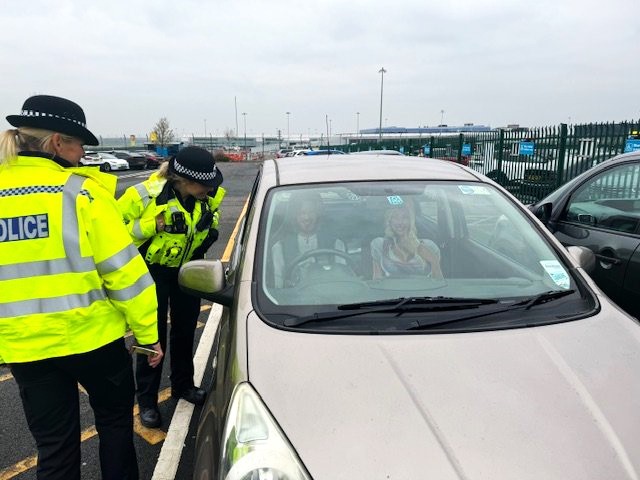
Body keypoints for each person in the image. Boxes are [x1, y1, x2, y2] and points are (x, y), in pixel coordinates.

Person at [0, 94, 162, 480]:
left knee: (55, 449)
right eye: (79, 145)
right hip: (94, 342)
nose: (81, 155)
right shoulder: (82, 194)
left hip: (27, 350)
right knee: (115, 427)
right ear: (58, 142)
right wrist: (149, 335)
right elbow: (125, 276)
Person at [117, 146, 225, 428]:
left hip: (186, 269)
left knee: (185, 329)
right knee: (151, 337)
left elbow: (212, 217)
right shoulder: (143, 195)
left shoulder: (204, 197)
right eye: (205, 184)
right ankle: (148, 401)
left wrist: (210, 230)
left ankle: (183, 385)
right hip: (151, 272)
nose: (210, 189)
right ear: (182, 180)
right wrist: (155, 224)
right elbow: (115, 231)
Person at [271, 191, 346, 287]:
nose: (307, 218)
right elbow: (279, 287)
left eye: (311, 212)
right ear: (294, 215)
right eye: (302, 213)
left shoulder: (335, 244)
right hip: (294, 300)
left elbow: (343, 282)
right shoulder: (280, 247)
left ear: (318, 214)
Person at [371, 200, 443, 279]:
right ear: (389, 221)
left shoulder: (430, 246)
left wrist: (433, 260)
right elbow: (377, 281)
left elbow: (438, 281)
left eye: (405, 217)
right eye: (395, 217)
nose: (400, 222)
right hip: (391, 291)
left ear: (411, 221)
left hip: (423, 291)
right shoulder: (379, 245)